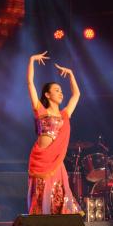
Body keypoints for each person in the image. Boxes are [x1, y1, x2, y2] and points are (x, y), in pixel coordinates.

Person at [27, 52, 82, 215]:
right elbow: (30, 83)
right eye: (57, 90)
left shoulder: (65, 114)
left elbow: (76, 94)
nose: (61, 93)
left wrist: (71, 74)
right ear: (47, 94)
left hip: (56, 161)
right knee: (40, 194)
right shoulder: (40, 110)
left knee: (57, 195)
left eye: (61, 91)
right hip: (40, 158)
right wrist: (31, 61)